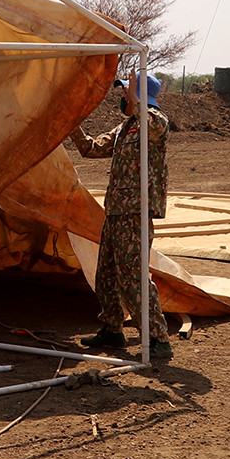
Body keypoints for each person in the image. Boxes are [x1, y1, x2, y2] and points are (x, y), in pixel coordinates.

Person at [67, 74, 172, 360]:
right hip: (115, 211)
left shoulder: (156, 123)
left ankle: (157, 338)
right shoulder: (125, 128)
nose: (122, 100)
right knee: (107, 275)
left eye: (125, 95)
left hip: (135, 213)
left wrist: (136, 99)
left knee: (133, 277)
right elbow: (90, 148)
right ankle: (112, 330)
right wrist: (70, 123)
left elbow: (154, 124)